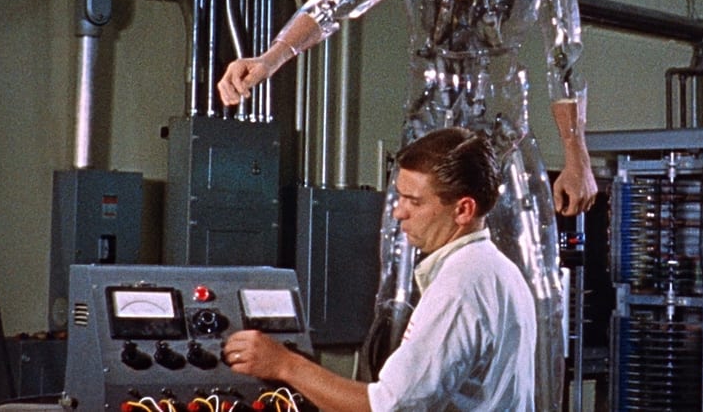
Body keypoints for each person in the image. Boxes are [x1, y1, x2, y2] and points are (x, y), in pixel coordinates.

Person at [217, 0, 599, 411]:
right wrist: (271, 58)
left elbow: (565, 53)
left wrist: (576, 153)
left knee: (538, 284)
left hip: (506, 142)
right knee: (401, 285)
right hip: (432, 143)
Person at [223, 127, 536, 411]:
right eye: (399, 197)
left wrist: (284, 365)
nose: (399, 212)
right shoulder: (501, 272)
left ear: (463, 209)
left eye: (414, 201)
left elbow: (389, 407)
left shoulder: (459, 286)